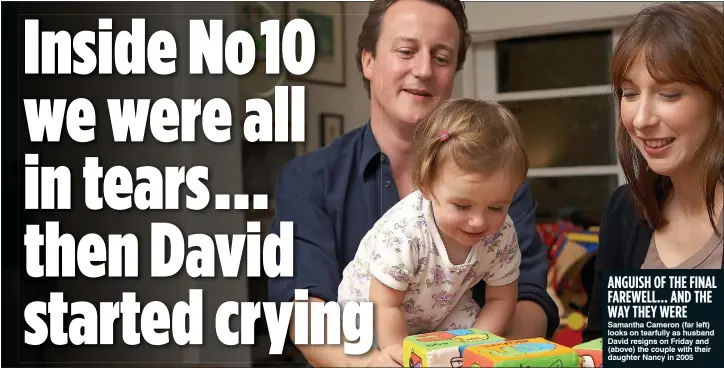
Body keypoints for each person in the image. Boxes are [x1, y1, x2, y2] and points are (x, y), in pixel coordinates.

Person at [268, 0, 560, 366]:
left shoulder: (498, 184)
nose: (423, 70)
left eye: (441, 58)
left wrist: (486, 357)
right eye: (406, 51)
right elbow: (301, 304)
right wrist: (368, 363)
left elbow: (527, 296)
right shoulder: (308, 179)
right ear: (368, 61)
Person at [337, 98, 529, 351]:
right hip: (370, 310)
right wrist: (398, 352)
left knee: (478, 337)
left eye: (496, 207)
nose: (478, 221)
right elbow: (385, 303)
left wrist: (476, 347)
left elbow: (501, 298)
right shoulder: (406, 230)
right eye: (462, 206)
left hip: (439, 309)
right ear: (426, 186)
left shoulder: (502, 233)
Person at [583, 1, 723, 341]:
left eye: (669, 94)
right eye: (629, 94)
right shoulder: (624, 210)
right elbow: (604, 345)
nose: (641, 119)